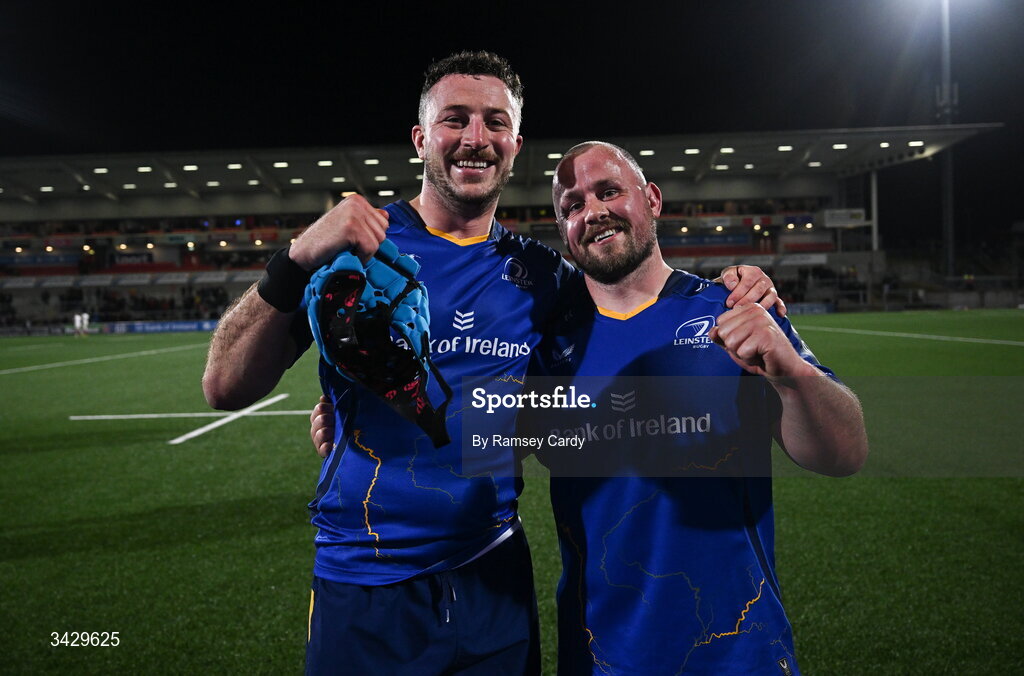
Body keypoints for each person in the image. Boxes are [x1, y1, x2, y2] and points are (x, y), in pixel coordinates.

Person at [206, 52, 782, 675]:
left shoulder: (546, 278)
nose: (475, 139)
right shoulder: (353, 248)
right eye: (455, 120)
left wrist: (733, 285)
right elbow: (225, 385)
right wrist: (294, 259)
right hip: (366, 583)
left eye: (494, 122)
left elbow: (591, 372)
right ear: (421, 138)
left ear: (515, 143)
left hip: (494, 581)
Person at [530, 142, 867, 674]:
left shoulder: (735, 310)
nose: (591, 212)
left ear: (653, 199)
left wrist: (793, 375)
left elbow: (845, 453)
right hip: (600, 658)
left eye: (609, 191)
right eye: (571, 206)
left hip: (740, 653)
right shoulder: (546, 347)